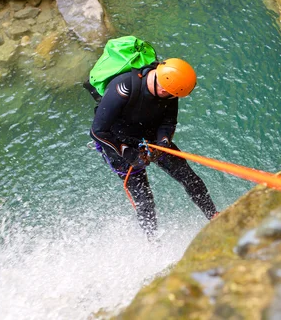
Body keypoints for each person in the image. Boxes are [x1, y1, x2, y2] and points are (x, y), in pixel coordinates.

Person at [89, 58, 219, 238]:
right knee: (144, 200)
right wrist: (127, 152)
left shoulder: (170, 89)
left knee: (189, 177)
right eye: (173, 95)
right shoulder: (123, 89)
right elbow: (97, 131)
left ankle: (214, 216)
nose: (175, 99)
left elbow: (168, 121)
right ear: (163, 88)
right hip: (118, 145)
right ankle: (152, 240)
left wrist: (163, 143)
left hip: (150, 140)